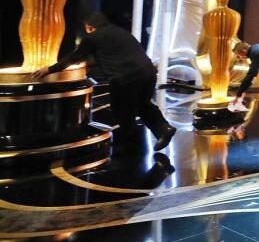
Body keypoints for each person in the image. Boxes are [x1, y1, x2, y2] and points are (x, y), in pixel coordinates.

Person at [33, 12, 176, 152]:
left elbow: (75, 57)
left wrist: (50, 69)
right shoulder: (120, 32)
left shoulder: (92, 38)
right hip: (148, 73)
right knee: (143, 104)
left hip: (125, 78)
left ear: (89, 26)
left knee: (122, 110)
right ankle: (164, 130)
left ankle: (128, 146)